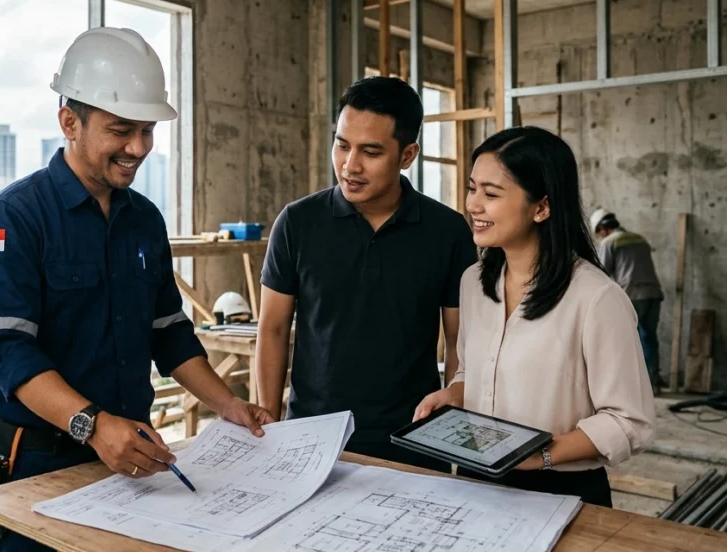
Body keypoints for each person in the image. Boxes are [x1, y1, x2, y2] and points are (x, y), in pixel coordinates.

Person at [0, 27, 274, 552]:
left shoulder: (145, 221)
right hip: (37, 457)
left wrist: (228, 404)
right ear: (70, 122)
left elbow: (169, 332)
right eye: (120, 130)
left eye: (147, 130)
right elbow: (9, 353)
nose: (138, 147)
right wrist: (92, 426)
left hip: (129, 451)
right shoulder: (14, 216)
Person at [413, 126, 656, 507]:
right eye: (473, 188)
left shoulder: (596, 298)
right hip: (478, 477)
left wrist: (541, 454)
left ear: (542, 207)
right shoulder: (474, 282)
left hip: (561, 491)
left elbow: (630, 421)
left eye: (491, 194)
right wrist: (454, 395)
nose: (473, 204)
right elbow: (475, 372)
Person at [255, 76, 478, 471]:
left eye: (370, 152)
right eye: (342, 145)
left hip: (413, 440)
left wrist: (453, 428)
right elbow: (272, 329)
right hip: (313, 438)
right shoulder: (298, 222)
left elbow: (459, 338)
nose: (350, 165)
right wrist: (268, 429)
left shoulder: (447, 232)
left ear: (407, 155)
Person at [590, 208, 665, 389]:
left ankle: (629, 386)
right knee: (649, 338)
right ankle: (653, 381)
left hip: (632, 296)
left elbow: (600, 273)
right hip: (653, 294)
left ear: (603, 229)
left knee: (627, 341)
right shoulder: (640, 239)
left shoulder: (609, 242)